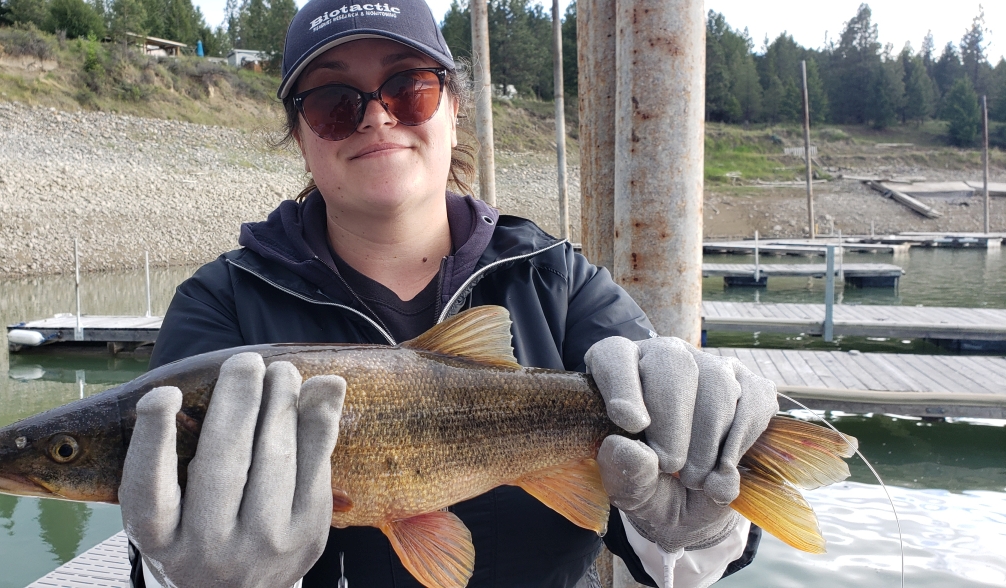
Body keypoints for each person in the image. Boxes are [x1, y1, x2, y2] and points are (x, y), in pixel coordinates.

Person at [118, 0, 779, 585]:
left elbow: (675, 540)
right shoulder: (221, 302)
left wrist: (698, 523)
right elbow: (160, 536)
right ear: (301, 136)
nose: (376, 117)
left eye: (409, 89)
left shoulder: (559, 281)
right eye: (333, 103)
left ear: (455, 109)